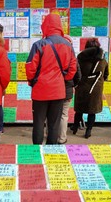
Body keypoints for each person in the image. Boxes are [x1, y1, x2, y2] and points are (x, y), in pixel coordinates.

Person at [25, 13, 77, 145]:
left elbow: (30, 67)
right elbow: (72, 68)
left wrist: (32, 81)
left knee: (38, 122)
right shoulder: (68, 45)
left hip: (40, 91)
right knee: (54, 123)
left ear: (45, 26)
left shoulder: (39, 45)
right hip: (58, 90)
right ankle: (51, 151)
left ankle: (36, 151)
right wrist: (62, 79)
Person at [71, 38, 109, 139]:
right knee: (92, 110)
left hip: (82, 86)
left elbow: (76, 73)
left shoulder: (80, 59)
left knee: (79, 109)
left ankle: (75, 128)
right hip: (96, 88)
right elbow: (106, 75)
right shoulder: (103, 60)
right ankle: (88, 131)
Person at [57, 35, 81, 144]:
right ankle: (62, 138)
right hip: (67, 91)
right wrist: (72, 85)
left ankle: (49, 134)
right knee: (63, 115)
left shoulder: (54, 56)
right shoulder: (73, 59)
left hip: (54, 91)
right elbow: (78, 76)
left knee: (51, 114)